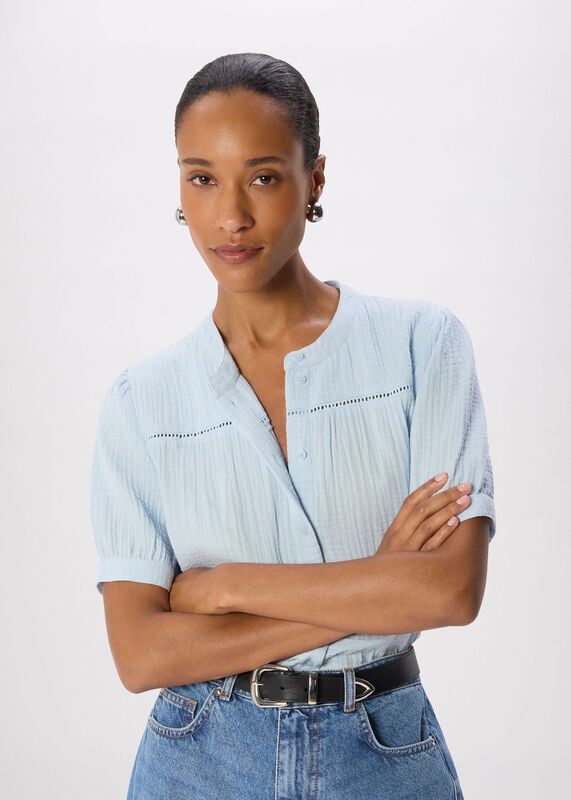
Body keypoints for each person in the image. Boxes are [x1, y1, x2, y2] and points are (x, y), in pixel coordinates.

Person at [91, 52, 495, 800]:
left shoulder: (421, 344)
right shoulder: (140, 401)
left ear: (315, 180)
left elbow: (447, 591)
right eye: (202, 177)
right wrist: (374, 582)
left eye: (264, 176)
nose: (231, 215)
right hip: (198, 753)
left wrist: (224, 588)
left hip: (383, 754)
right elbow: (142, 654)